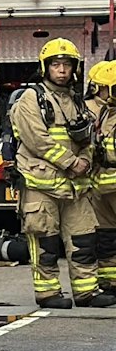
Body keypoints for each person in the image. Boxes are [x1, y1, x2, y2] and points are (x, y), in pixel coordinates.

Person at [11, 38, 107, 308]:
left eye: (66, 65)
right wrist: (71, 162)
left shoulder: (76, 100)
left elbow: (87, 139)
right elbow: (37, 140)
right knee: (46, 242)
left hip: (76, 187)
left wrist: (85, 160)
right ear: (46, 67)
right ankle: (48, 293)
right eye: (56, 64)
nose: (62, 70)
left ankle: (87, 292)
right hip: (42, 185)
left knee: (84, 239)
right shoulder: (31, 98)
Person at [88, 60, 116, 293]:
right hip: (102, 186)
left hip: (109, 184)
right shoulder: (104, 112)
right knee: (106, 236)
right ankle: (110, 281)